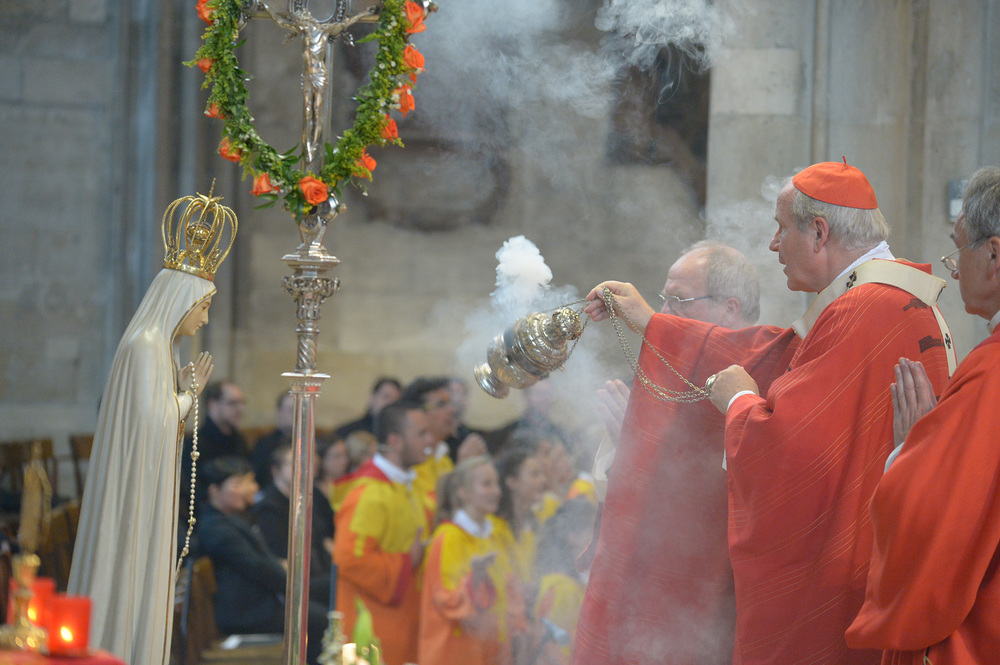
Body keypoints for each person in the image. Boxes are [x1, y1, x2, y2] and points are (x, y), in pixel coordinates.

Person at [583, 160, 957, 665]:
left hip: (846, 581)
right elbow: (775, 352)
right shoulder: (886, 300)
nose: (773, 245)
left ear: (819, 232)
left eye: (782, 229)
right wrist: (654, 323)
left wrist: (738, 398)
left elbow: (788, 452)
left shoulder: (865, 310)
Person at [574, 241, 761, 665]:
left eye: (679, 300)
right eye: (664, 298)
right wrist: (629, 443)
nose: (665, 312)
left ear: (730, 309)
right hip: (655, 594)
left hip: (717, 594)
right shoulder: (671, 371)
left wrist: (648, 442)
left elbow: (744, 487)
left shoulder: (760, 372)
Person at [68, 191, 230, 665]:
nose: (203, 319)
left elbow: (155, 418)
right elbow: (153, 424)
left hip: (144, 490)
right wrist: (190, 395)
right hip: (131, 499)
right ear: (182, 300)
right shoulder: (145, 345)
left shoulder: (161, 349)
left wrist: (179, 391)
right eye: (202, 307)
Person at [845, 166, 1000, 664]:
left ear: (994, 255)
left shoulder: (991, 376)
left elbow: (936, 523)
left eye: (959, 251)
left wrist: (913, 452)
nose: (952, 271)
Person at [197, 456, 327, 665]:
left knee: (320, 606)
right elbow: (255, 567)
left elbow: (259, 561)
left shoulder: (230, 519)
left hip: (257, 601)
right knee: (318, 619)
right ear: (214, 490)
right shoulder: (215, 528)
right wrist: (290, 580)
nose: (245, 490)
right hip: (245, 611)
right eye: (237, 484)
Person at [333, 399, 434, 665]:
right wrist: (408, 560)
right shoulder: (369, 493)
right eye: (421, 433)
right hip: (373, 632)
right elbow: (349, 559)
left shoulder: (406, 486)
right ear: (395, 440)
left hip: (404, 622)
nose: (429, 440)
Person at [418, 456, 514, 665]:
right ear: (462, 492)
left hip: (490, 650)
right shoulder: (448, 537)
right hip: (454, 653)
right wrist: (476, 579)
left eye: (496, 483)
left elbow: (509, 591)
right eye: (486, 484)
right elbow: (448, 600)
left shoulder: (496, 533)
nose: (496, 491)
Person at [252, 444, 335, 607]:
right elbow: (284, 555)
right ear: (276, 470)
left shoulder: (308, 497)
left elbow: (322, 538)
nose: (302, 468)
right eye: (294, 463)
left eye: (305, 463)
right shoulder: (269, 507)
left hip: (318, 572)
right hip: (296, 582)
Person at [534, 498, 597, 665]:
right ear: (573, 537)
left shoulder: (575, 584)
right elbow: (556, 652)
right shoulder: (563, 589)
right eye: (593, 529)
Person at [331, 376, 402, 440]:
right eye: (386, 397)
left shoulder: (399, 437)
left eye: (395, 401)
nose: (390, 403)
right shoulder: (347, 433)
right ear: (371, 398)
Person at [251, 391, 295, 487]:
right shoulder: (264, 444)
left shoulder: (312, 442)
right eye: (291, 409)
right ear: (278, 412)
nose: (296, 414)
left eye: (300, 409)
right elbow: (260, 477)